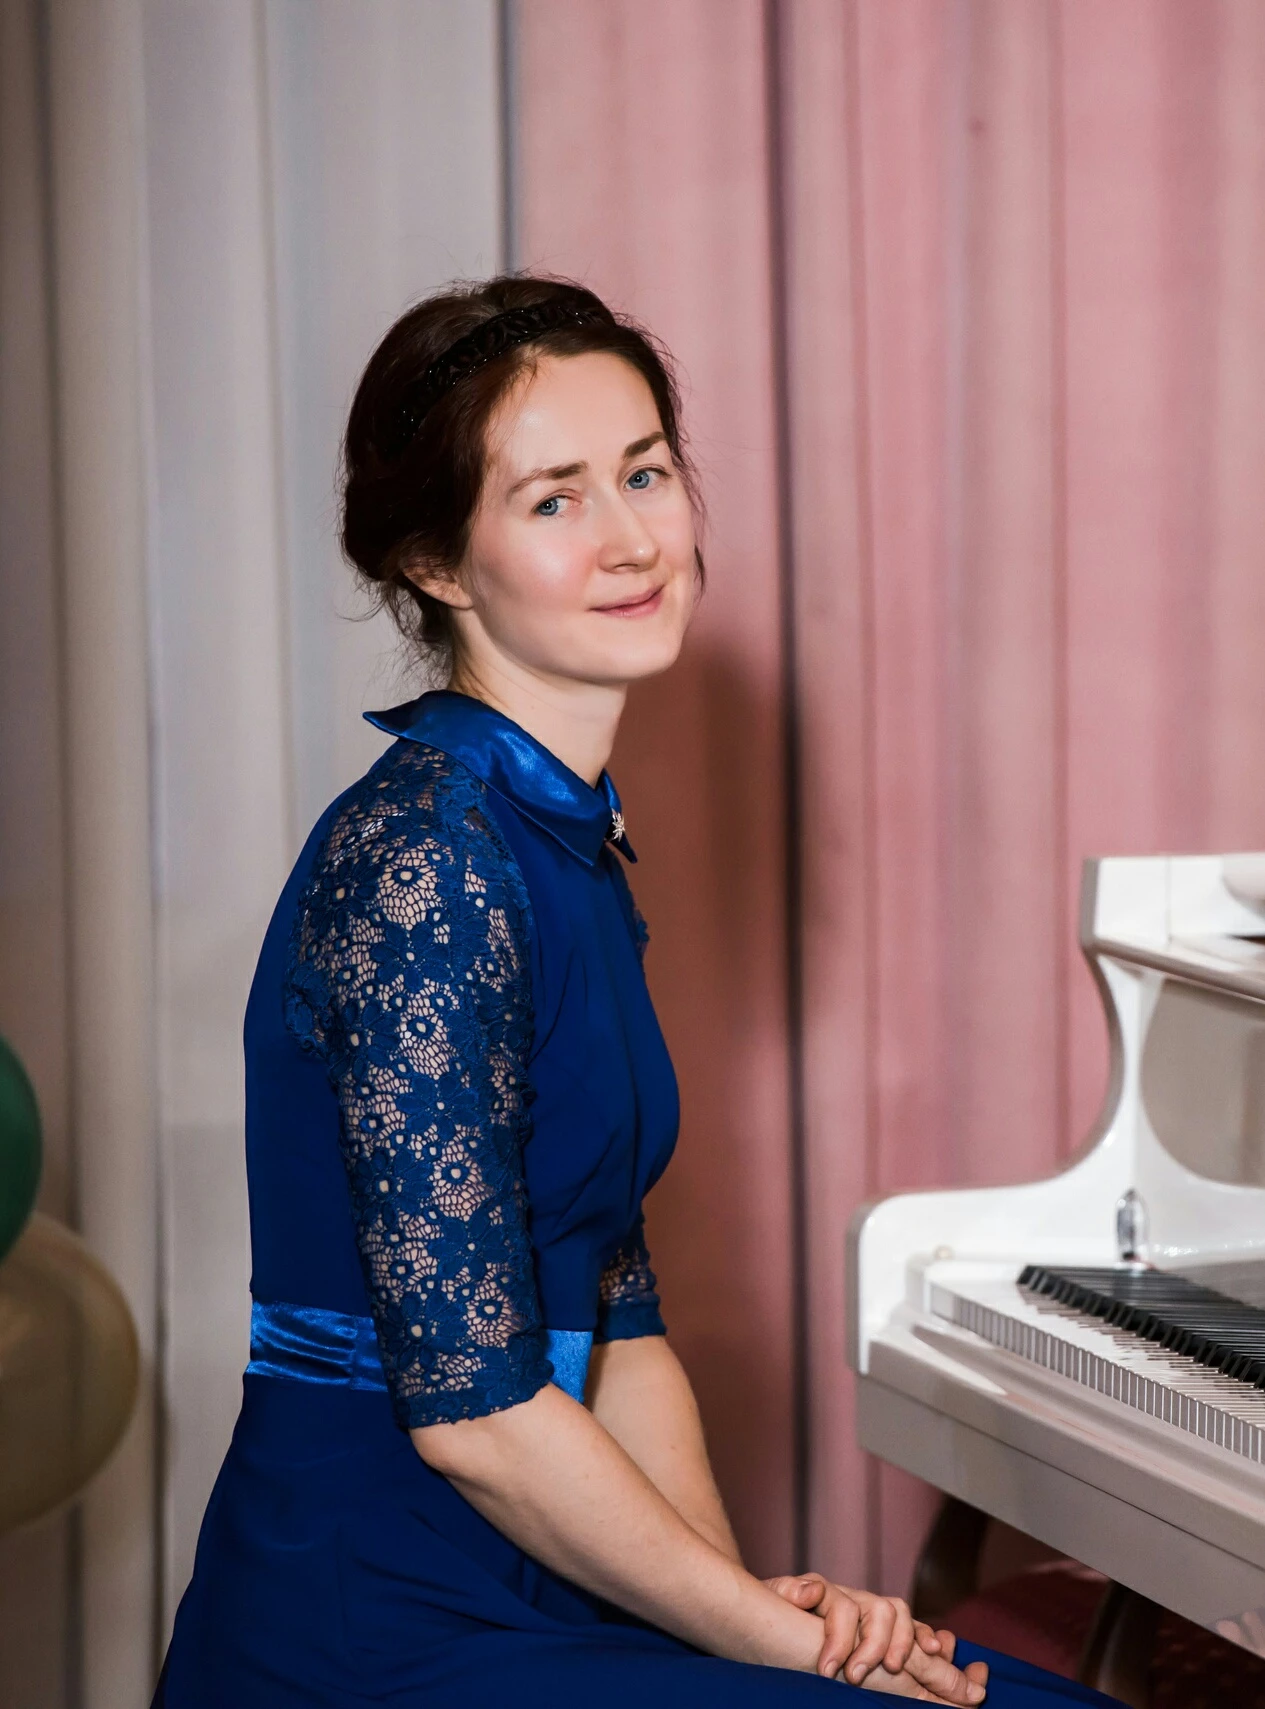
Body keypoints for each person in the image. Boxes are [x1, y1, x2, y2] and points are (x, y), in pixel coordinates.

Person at [154, 277, 1120, 1706]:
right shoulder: (428, 862)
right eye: (554, 500)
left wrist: (742, 1614)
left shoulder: (564, 843)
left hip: (563, 1566)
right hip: (380, 1608)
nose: (629, 538)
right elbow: (474, 1416)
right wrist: (783, 1644)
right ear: (436, 560)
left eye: (646, 473)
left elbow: (620, 1322)